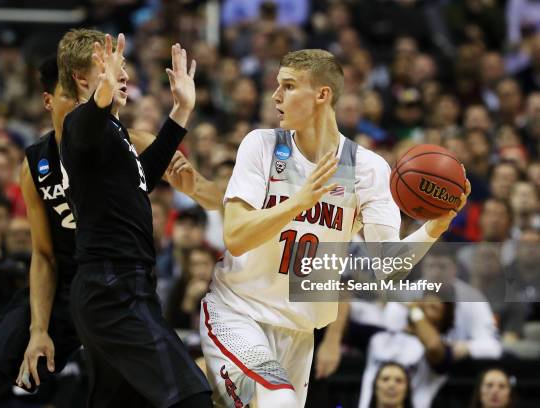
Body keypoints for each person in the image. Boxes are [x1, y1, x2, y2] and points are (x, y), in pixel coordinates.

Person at [199, 49, 470, 407]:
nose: (276, 96)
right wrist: (298, 202)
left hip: (300, 331)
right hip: (238, 313)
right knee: (278, 401)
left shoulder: (369, 169)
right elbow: (235, 237)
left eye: (289, 86)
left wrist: (434, 227)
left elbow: (385, 268)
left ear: (322, 95)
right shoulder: (261, 145)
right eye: (278, 86)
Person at [0, 55, 220, 397]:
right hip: (61, 290)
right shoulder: (36, 162)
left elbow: (209, 193)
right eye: (72, 95)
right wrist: (39, 329)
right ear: (48, 100)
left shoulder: (131, 143)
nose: (81, 105)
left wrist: (218, 195)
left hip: (112, 286)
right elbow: (44, 255)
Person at [58, 30, 212, 407]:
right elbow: (85, 124)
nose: (123, 74)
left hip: (118, 286)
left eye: (123, 67)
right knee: (192, 393)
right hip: (113, 286)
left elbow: (142, 178)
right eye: (111, 67)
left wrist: (180, 112)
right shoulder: (80, 125)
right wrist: (103, 92)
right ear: (82, 79)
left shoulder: (114, 134)